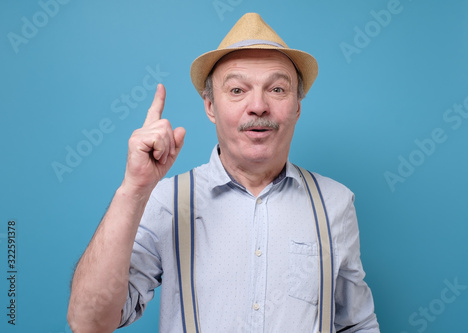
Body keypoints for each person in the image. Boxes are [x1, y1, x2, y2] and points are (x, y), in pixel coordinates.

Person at [67, 13, 380, 333]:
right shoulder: (168, 201)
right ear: (210, 107)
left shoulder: (336, 203)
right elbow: (89, 322)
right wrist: (133, 189)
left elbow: (357, 324)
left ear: (297, 107)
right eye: (236, 90)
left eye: (276, 89)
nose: (258, 106)